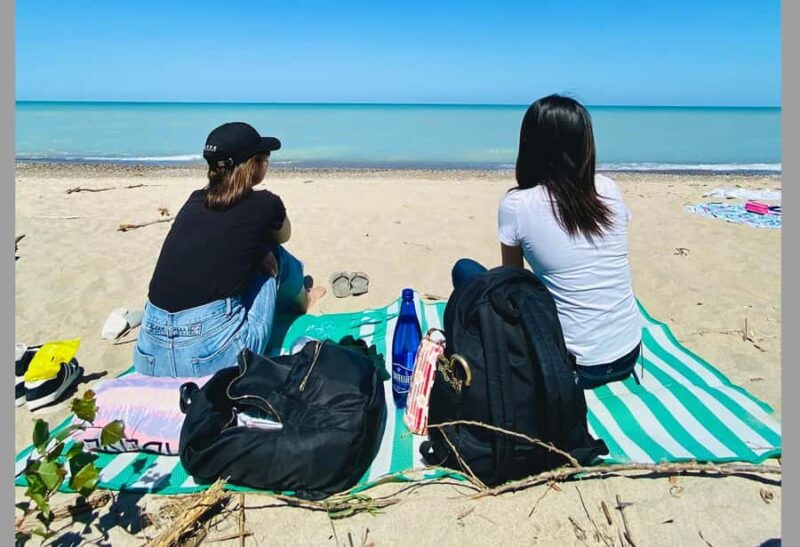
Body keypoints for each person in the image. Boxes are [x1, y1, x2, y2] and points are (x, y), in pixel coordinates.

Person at [452, 95, 641, 389]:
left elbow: (513, 284)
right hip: (628, 353)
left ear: (529, 145)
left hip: (572, 367)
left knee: (465, 271)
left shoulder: (517, 205)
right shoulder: (608, 189)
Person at [133, 122, 326, 377]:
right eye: (265, 157)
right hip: (212, 355)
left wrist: (253, 249)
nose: (267, 162)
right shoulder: (266, 203)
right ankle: (303, 299)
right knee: (271, 250)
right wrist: (259, 248)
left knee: (252, 248)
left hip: (149, 354)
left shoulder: (193, 201)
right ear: (253, 165)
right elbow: (285, 235)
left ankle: (289, 283)